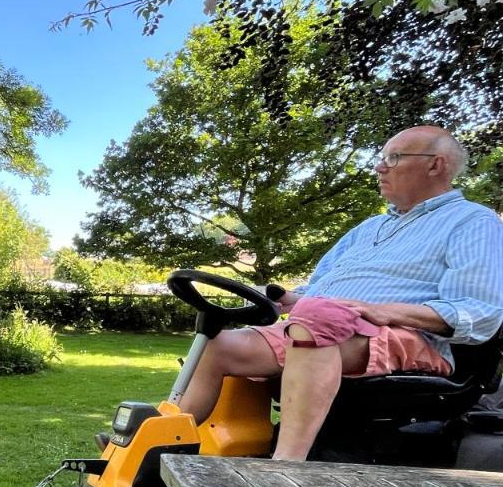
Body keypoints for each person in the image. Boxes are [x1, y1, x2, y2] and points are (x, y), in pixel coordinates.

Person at [179, 125, 503, 461]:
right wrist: (291, 299)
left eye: (393, 158)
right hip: (326, 325)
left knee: (318, 322)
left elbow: (478, 312)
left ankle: (286, 466)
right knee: (217, 344)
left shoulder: (472, 222)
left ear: (436, 165)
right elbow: (320, 290)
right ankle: (158, 449)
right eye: (382, 158)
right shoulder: (370, 227)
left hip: (406, 337)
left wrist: (386, 311)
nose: (380, 167)